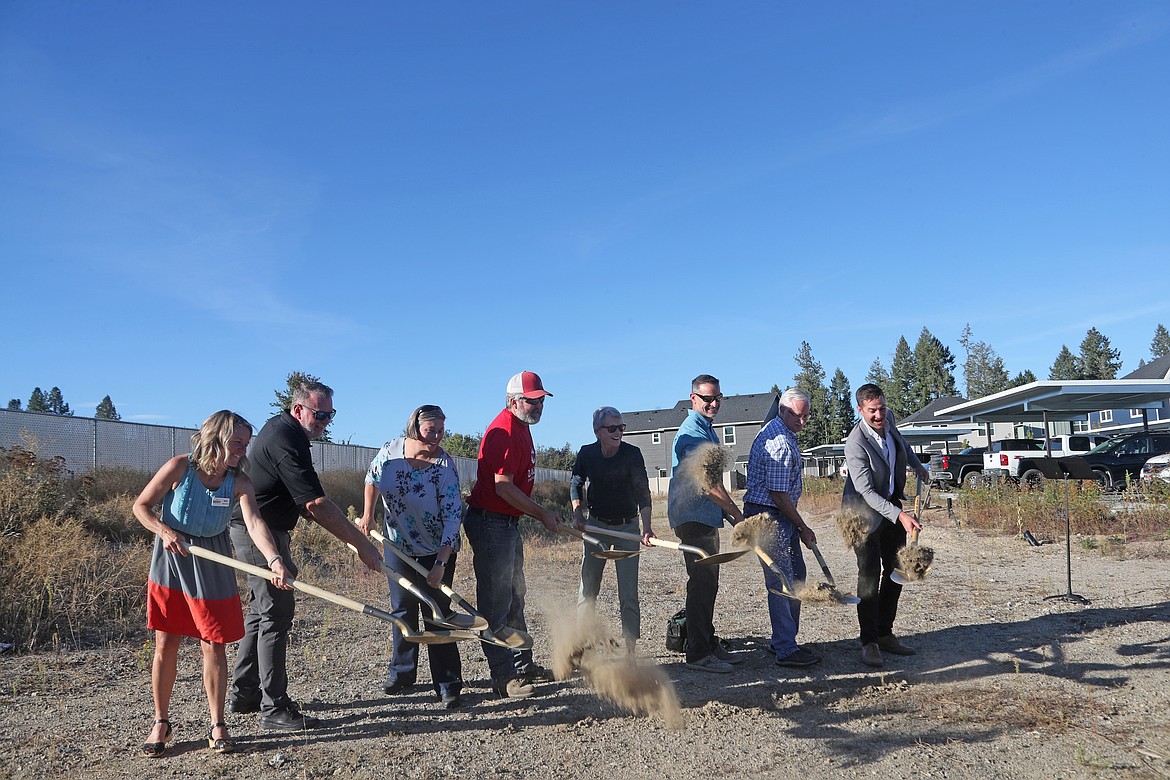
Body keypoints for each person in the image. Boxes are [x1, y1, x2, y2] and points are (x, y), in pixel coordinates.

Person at [133, 411, 292, 757]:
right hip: (174, 557)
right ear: (216, 437)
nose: (241, 450)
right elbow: (141, 506)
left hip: (213, 560)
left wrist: (275, 559)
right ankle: (161, 722)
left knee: (214, 643)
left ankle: (218, 724)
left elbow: (254, 524)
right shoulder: (179, 467)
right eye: (236, 442)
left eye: (245, 444)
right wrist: (164, 531)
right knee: (167, 641)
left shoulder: (240, 482)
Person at [228, 380, 383, 729]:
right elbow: (314, 503)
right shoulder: (286, 439)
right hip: (258, 531)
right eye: (319, 414)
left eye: (330, 415)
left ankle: (245, 691)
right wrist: (362, 546)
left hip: (267, 526)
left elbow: (300, 497)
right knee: (276, 612)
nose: (325, 421)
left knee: (260, 610)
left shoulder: (292, 433)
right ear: (299, 409)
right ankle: (275, 708)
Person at [462, 371, 563, 698]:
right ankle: (505, 678)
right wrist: (542, 514)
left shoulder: (521, 427)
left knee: (515, 596)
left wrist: (536, 512)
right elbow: (503, 487)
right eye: (532, 400)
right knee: (495, 605)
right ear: (513, 401)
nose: (538, 406)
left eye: (541, 400)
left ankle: (522, 665)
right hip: (492, 524)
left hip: (506, 524)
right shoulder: (504, 431)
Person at [357, 405, 465, 709]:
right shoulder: (391, 451)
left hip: (436, 550)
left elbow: (453, 516)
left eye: (441, 430)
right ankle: (402, 673)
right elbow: (371, 479)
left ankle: (447, 684)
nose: (437, 436)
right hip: (397, 547)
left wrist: (441, 563)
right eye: (431, 429)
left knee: (437, 613)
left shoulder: (444, 465)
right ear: (414, 427)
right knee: (402, 609)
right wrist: (368, 515)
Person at [842, 383, 930, 668]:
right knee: (868, 574)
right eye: (872, 411)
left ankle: (885, 633)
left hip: (890, 504)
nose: (879, 416)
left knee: (896, 568)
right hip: (861, 512)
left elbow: (902, 445)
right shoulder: (855, 443)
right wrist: (901, 516)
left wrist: (917, 465)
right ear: (860, 410)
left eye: (881, 408)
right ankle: (869, 642)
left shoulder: (889, 419)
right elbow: (866, 492)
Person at [667, 374, 746, 673]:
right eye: (707, 399)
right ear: (693, 399)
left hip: (704, 515)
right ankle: (698, 653)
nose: (713, 404)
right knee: (701, 583)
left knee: (708, 583)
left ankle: (707, 641)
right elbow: (708, 483)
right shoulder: (692, 433)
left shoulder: (706, 429)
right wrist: (737, 516)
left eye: (717, 398)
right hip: (692, 517)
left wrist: (728, 513)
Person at [743, 388, 820, 668]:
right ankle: (786, 650)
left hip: (780, 516)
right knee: (782, 582)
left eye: (806, 416)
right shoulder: (779, 443)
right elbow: (778, 493)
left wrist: (795, 525)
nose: (802, 421)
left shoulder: (785, 433)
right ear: (783, 411)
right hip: (769, 517)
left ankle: (784, 642)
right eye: (797, 415)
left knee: (796, 574)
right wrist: (803, 526)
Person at [570, 406, 655, 653]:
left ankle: (630, 651)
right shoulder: (587, 454)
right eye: (612, 428)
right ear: (598, 432)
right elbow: (576, 483)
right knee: (588, 588)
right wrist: (577, 513)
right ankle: (581, 647)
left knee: (628, 592)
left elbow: (642, 491)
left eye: (621, 428)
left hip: (627, 527)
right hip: (595, 526)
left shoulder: (632, 454)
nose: (618, 432)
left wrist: (647, 528)